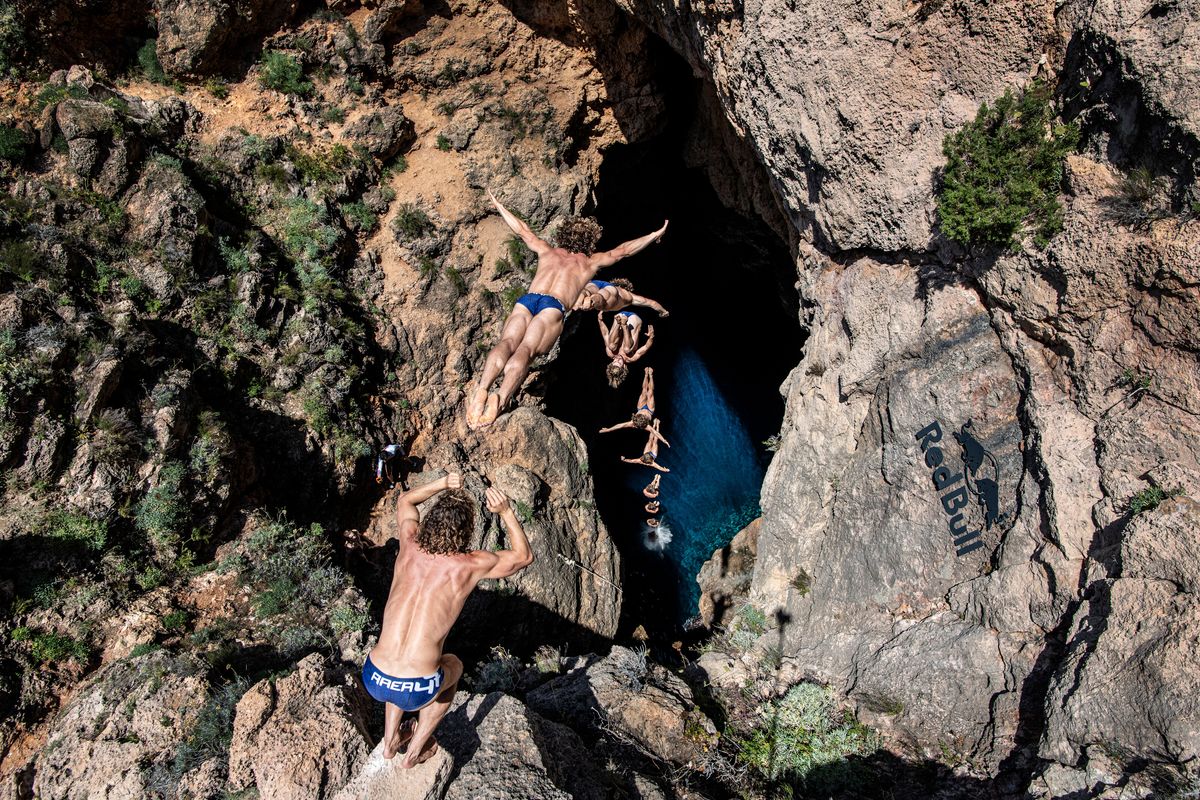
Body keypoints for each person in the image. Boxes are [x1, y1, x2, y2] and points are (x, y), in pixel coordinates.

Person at [362, 470, 533, 767]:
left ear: (429, 523)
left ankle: (390, 742)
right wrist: (505, 511)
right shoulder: (469, 565)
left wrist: (442, 484)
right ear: (466, 531)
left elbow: (405, 500)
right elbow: (522, 557)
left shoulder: (408, 544)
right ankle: (415, 751)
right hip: (419, 688)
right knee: (453, 665)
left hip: (374, 675)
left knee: (399, 665)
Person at [467, 190, 668, 428]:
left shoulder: (547, 250)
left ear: (563, 236)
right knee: (526, 351)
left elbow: (521, 229)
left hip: (528, 299)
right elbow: (623, 251)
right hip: (553, 305)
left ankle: (482, 390)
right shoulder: (590, 262)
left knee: (507, 343)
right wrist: (655, 233)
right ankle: (499, 399)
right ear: (590, 242)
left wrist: (498, 204)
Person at [597, 367, 669, 442]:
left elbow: (620, 425)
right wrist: (664, 440)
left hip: (641, 408)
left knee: (644, 391)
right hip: (650, 410)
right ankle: (650, 375)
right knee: (650, 392)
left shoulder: (632, 423)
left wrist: (608, 430)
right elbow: (655, 433)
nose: (644, 414)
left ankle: (645, 374)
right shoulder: (646, 426)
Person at [599, 312, 655, 388]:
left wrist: (600, 320)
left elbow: (605, 334)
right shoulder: (631, 358)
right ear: (624, 367)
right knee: (627, 350)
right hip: (634, 318)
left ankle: (619, 323)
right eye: (619, 362)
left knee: (611, 346)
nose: (617, 359)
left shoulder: (610, 353)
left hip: (620, 315)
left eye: (614, 361)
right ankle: (624, 325)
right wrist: (651, 337)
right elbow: (645, 347)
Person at [574, 278, 669, 317]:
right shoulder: (629, 297)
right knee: (603, 299)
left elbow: (652, 303)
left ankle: (582, 297)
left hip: (598, 284)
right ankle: (587, 299)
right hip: (609, 293)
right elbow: (652, 303)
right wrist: (664, 312)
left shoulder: (614, 289)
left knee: (588, 289)